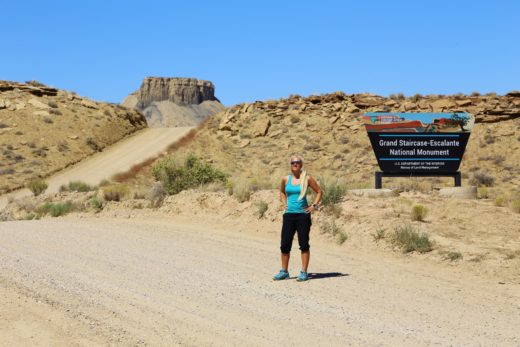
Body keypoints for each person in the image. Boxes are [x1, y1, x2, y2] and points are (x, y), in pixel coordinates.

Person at [273, 155, 322, 282]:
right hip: (289, 215)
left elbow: (319, 192)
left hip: (302, 215)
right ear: (290, 165)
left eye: (297, 162)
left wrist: (314, 206)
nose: (295, 164)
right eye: (293, 162)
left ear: (301, 165)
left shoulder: (307, 179)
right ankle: (284, 271)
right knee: (285, 244)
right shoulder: (285, 179)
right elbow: (282, 192)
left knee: (304, 244)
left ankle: (304, 272)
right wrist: (284, 204)